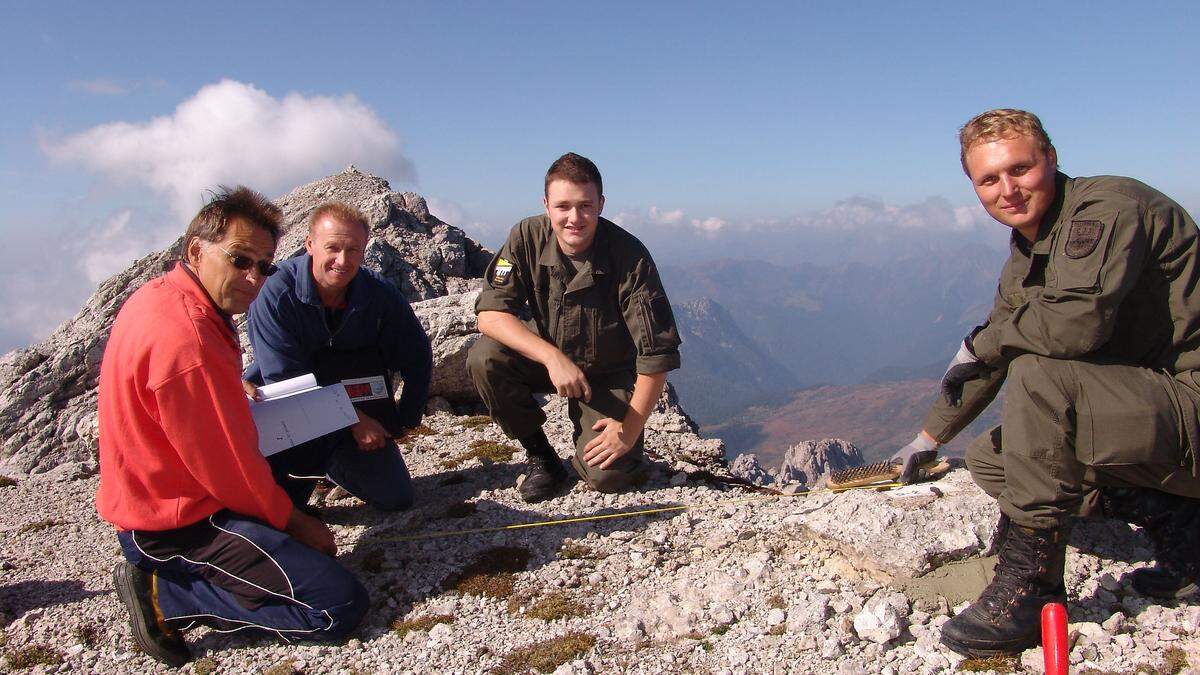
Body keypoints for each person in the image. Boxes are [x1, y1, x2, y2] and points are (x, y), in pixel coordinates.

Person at [888, 109, 1200, 658]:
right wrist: (928, 438)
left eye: (1020, 169)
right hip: (1153, 413)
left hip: (1188, 404)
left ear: (1050, 160)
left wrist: (988, 342)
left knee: (1040, 376)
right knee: (995, 457)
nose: (1007, 190)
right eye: (989, 180)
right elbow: (991, 350)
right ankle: (1181, 521)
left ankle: (1032, 588)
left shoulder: (1105, 210)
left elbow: (1073, 326)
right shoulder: (1029, 250)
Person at [97, 187, 368, 667]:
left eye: (264, 266)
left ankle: (263, 551)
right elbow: (229, 470)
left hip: (174, 491)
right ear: (196, 250)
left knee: (321, 427)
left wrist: (223, 391)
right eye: (240, 259)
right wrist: (294, 523)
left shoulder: (170, 298)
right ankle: (168, 594)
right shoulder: (187, 341)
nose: (253, 277)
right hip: (179, 524)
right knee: (339, 603)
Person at [468, 152, 682, 502]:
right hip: (549, 357)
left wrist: (628, 431)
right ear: (547, 205)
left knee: (608, 476)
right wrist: (552, 358)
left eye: (585, 205)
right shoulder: (526, 237)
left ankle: (589, 452)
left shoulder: (629, 257)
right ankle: (542, 458)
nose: (574, 218)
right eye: (563, 206)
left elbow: (657, 355)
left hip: (607, 371)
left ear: (601, 203)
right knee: (485, 357)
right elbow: (490, 314)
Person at [245, 201, 432, 511]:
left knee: (395, 497)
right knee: (278, 507)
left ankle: (334, 464)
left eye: (353, 250)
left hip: (353, 400)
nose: (342, 261)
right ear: (309, 245)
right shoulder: (276, 293)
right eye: (332, 248)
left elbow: (416, 353)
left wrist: (405, 419)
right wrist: (354, 422)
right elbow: (284, 378)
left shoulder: (378, 293)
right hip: (289, 410)